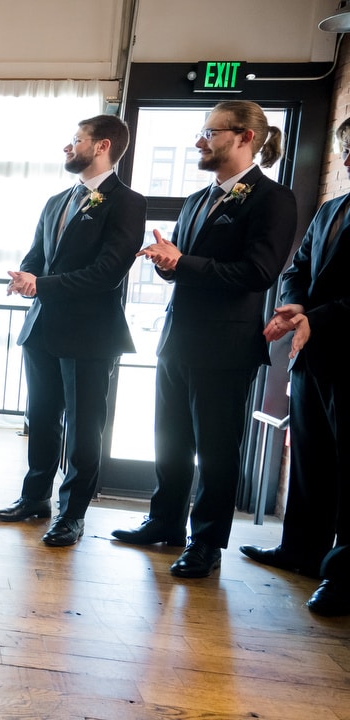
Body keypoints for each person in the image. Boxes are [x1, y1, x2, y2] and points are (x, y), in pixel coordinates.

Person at [113, 100, 297, 578]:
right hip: (177, 339)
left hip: (225, 347)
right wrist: (167, 264)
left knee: (216, 450)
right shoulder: (197, 200)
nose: (200, 141)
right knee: (169, 440)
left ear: (244, 138)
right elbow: (186, 267)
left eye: (211, 132)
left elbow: (258, 273)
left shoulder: (272, 199)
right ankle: (164, 523)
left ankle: (207, 543)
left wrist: (183, 264)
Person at [0, 115, 146, 547]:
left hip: (90, 335)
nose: (67, 147)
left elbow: (107, 273)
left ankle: (71, 515)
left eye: (76, 140)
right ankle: (34, 498)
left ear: (102, 146)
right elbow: (40, 253)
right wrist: (25, 278)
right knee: (40, 418)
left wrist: (43, 285)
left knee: (82, 429)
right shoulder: (58, 199)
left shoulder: (127, 203)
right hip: (41, 328)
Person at [238, 117, 350, 614]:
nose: (347, 159)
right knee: (312, 459)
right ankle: (300, 550)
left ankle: (342, 575)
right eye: (346, 149)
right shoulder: (331, 209)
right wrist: (295, 306)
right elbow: (295, 268)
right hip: (314, 356)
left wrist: (317, 317)